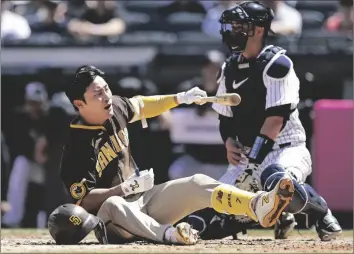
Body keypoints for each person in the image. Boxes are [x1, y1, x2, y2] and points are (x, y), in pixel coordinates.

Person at [58, 65, 295, 245]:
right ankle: (172, 235)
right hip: (112, 222)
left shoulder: (115, 107)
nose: (107, 96)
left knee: (197, 182)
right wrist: (122, 190)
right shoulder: (76, 145)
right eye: (97, 94)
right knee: (114, 203)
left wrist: (180, 98)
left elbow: (141, 105)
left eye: (106, 89)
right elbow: (83, 199)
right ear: (79, 104)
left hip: (143, 201)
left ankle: (257, 205)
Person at [188, 1, 342, 242]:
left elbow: (275, 120)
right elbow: (225, 116)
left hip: (285, 149)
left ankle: (320, 212)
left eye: (240, 26)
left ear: (258, 30)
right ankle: (278, 213)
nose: (232, 31)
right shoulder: (229, 67)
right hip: (246, 157)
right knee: (207, 213)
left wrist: (254, 164)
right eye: (233, 25)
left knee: (276, 179)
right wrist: (228, 141)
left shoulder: (277, 65)